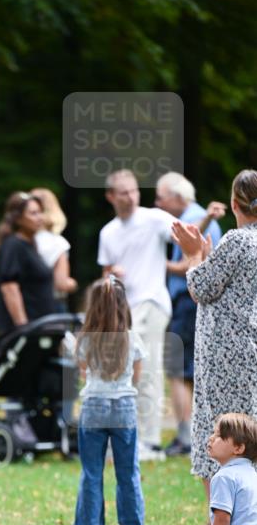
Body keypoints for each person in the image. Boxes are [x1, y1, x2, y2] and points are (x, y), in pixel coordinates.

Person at [171, 168, 257, 525]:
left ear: (236, 204)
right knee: (248, 437)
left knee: (220, 437)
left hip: (226, 356)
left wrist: (193, 255)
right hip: (250, 351)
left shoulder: (238, 240)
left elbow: (201, 288)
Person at [97, 169, 175, 460]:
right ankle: (124, 437)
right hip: (123, 310)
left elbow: (186, 235)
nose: (130, 196)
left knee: (149, 371)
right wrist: (111, 274)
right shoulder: (108, 232)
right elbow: (104, 274)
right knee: (120, 374)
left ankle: (150, 442)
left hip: (152, 303)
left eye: (134, 190)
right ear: (110, 197)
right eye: (123, 192)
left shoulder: (154, 218)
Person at [154, 172, 223, 456]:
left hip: (185, 300)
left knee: (177, 369)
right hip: (192, 303)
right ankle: (198, 434)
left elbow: (194, 261)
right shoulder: (197, 217)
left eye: (160, 197)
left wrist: (159, 263)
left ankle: (185, 437)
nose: (156, 202)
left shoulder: (192, 219)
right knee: (191, 370)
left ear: (177, 198)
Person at [73, 275, 146, 525]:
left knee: (91, 471)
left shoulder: (86, 340)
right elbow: (136, 376)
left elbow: (84, 372)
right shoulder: (132, 339)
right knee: (128, 472)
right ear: (123, 305)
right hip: (124, 406)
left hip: (93, 406)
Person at [165, 413, 257, 525]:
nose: (211, 438)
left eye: (219, 436)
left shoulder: (224, 477)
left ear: (238, 448)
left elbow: (222, 520)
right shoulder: (252, 474)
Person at [0, 192, 55, 335]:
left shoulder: (30, 245)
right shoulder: (14, 246)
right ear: (18, 219)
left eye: (40, 212)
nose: (39, 218)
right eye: (33, 213)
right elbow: (9, 287)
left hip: (40, 327)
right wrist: (23, 328)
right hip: (26, 330)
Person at [30, 187, 77, 310]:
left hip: (26, 304)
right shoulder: (58, 243)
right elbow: (61, 284)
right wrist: (73, 284)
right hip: (52, 305)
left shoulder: (20, 241)